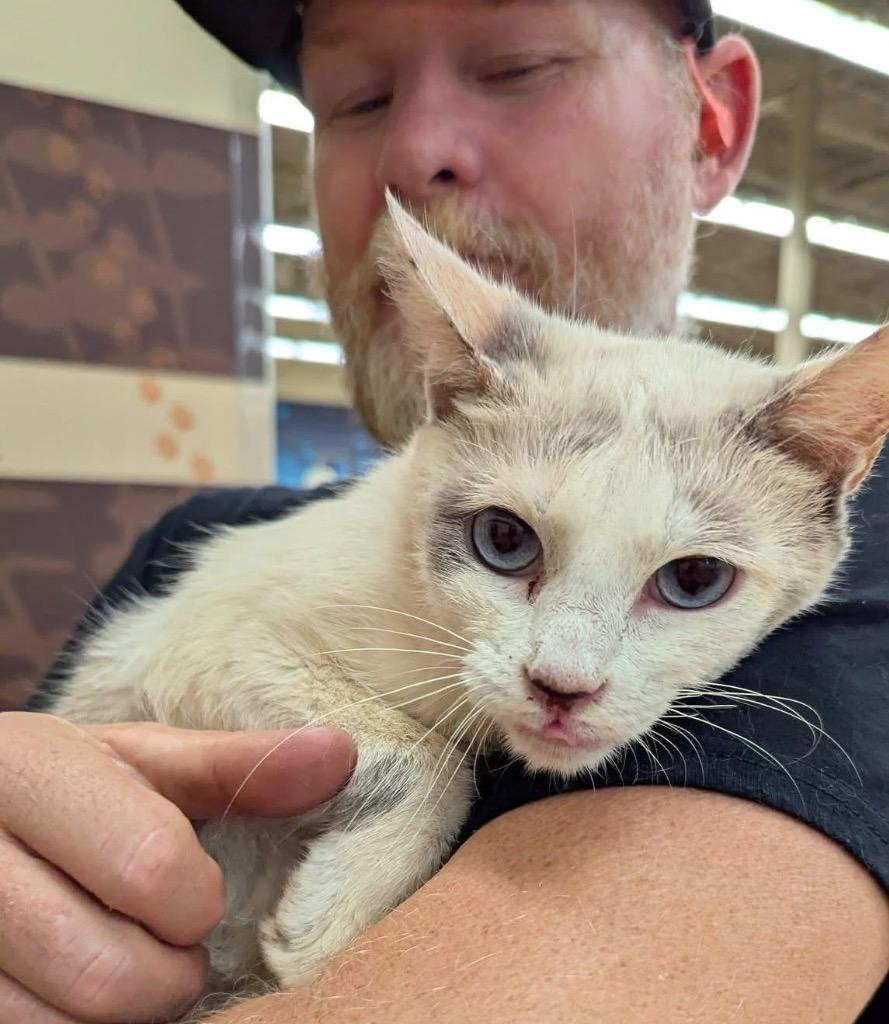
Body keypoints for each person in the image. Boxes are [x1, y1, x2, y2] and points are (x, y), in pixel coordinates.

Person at [5, 1, 889, 1021]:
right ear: (450, 402)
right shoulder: (196, 539)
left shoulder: (852, 611)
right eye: (359, 97)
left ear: (714, 119)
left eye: (517, 66)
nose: (566, 670)